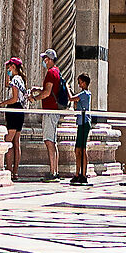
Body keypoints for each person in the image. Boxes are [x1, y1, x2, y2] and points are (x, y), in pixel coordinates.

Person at [37, 49, 67, 179]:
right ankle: (55, 171)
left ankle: (53, 173)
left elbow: (47, 93)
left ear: (50, 59)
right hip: (54, 110)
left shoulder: (50, 73)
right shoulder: (57, 71)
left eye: (45, 59)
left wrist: (34, 98)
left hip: (50, 110)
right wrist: (38, 89)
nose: (44, 61)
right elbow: (50, 90)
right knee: (53, 142)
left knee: (49, 141)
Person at [2, 57, 27, 179]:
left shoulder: (16, 80)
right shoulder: (20, 79)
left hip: (14, 109)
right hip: (20, 111)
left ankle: (8, 169)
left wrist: (3, 103)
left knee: (8, 141)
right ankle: (15, 172)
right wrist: (7, 75)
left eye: (9, 67)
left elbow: (14, 98)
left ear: (13, 67)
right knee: (16, 142)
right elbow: (8, 85)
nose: (8, 69)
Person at [71, 70, 94, 185]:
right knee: (78, 149)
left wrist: (67, 89)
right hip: (81, 122)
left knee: (83, 148)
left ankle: (83, 174)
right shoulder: (82, 94)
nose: (79, 84)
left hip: (84, 122)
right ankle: (77, 173)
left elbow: (71, 98)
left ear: (84, 83)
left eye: (80, 82)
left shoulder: (85, 94)